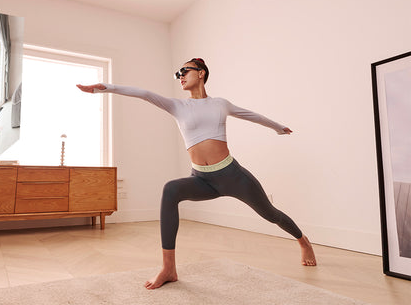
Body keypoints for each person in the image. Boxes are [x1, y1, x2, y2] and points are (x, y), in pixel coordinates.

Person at [76, 58, 316, 290]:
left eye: (185, 71)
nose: (180, 76)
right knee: (171, 190)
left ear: (201, 73)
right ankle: (168, 268)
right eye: (178, 74)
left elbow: (252, 115)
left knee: (270, 214)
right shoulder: (177, 106)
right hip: (202, 179)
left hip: (233, 176)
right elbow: (144, 93)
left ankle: (302, 240)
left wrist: (278, 128)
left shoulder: (220, 103)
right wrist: (104, 88)